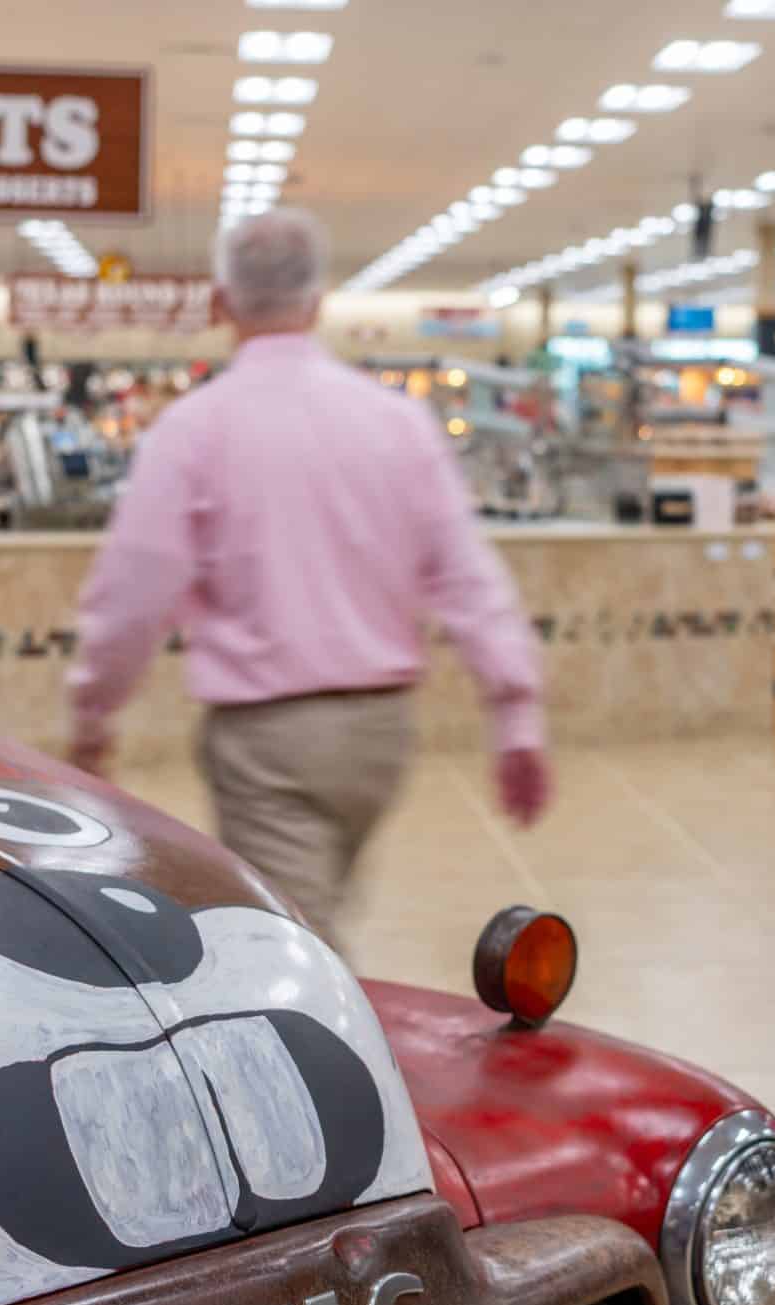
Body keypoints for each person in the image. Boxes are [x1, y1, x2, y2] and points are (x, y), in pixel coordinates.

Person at [66, 208, 553, 951]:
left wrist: (94, 711)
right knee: (315, 918)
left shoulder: (196, 428)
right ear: (319, 303)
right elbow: (468, 577)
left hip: (268, 742)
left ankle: (337, 1065)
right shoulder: (396, 423)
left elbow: (135, 588)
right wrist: (515, 712)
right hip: (380, 738)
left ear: (220, 303)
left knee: (300, 954)